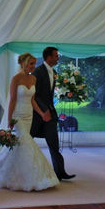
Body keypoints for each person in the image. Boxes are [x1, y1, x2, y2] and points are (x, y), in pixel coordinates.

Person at [0, 53, 59, 191]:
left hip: (29, 115)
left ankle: (7, 173)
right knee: (26, 143)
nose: (33, 66)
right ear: (23, 63)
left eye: (34, 64)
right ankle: (31, 178)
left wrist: (41, 113)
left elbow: (33, 100)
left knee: (17, 147)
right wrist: (9, 119)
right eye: (31, 64)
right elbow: (12, 100)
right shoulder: (16, 79)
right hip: (17, 116)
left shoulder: (34, 78)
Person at [30, 47, 75, 181]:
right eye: (56, 56)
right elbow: (34, 95)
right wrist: (44, 110)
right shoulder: (37, 72)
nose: (58, 58)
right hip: (37, 114)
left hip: (50, 114)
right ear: (48, 57)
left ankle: (60, 172)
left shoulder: (54, 72)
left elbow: (49, 94)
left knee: (54, 143)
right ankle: (15, 167)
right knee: (26, 142)